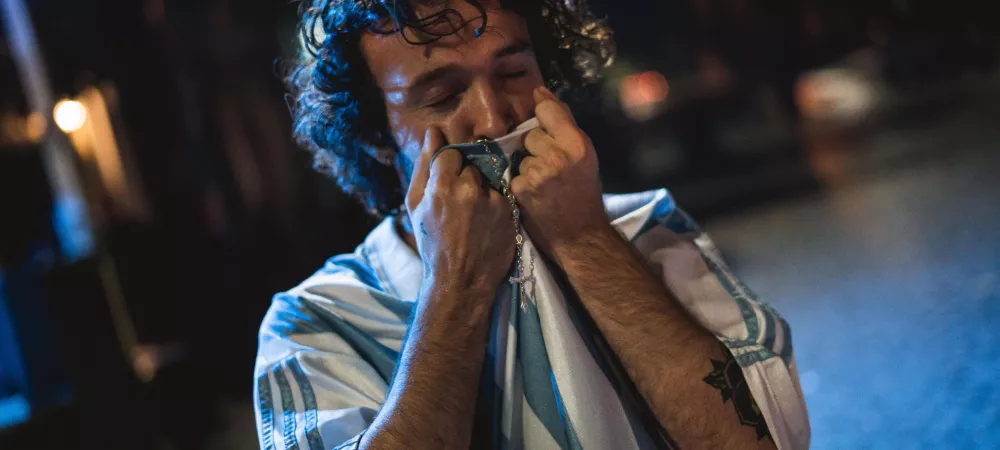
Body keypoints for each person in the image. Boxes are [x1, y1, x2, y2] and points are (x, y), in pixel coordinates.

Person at [253, 0, 810, 449]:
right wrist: (456, 286)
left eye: (514, 73)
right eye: (443, 96)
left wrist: (585, 239)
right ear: (376, 136)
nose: (496, 120)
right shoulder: (314, 325)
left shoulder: (648, 232)